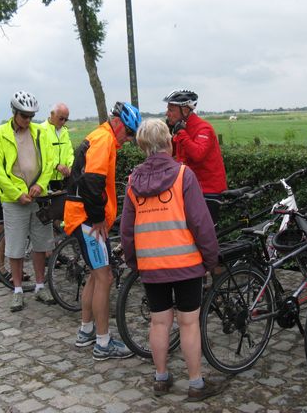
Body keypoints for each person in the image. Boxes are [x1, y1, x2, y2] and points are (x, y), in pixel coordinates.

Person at [120, 118, 222, 400]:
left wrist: (135, 262)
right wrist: (210, 259)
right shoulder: (182, 175)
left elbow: (127, 230)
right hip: (186, 264)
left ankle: (161, 378)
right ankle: (196, 383)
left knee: (159, 323)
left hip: (152, 266)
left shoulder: (132, 181)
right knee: (189, 323)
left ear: (142, 146)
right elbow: (201, 222)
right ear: (168, 142)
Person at [64, 101, 140, 361]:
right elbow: (91, 182)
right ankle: (103, 343)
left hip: (80, 216)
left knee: (96, 276)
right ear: (118, 123)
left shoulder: (99, 136)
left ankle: (86, 331)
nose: (128, 139)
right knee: (105, 277)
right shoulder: (105, 139)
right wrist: (97, 219)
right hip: (87, 220)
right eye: (129, 132)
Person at [0, 90, 56, 312]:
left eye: (31, 116)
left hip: (38, 197)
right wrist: (17, 193)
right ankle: (17, 290)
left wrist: (40, 185)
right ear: (15, 113)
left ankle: (39, 285)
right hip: (13, 199)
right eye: (24, 116)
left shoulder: (39, 132)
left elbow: (48, 162)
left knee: (41, 243)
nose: (28, 120)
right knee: (15, 246)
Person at [163, 90, 227, 224]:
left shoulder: (203, 129)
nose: (167, 113)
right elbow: (170, 153)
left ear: (185, 110)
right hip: (190, 188)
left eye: (171, 110)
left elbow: (198, 154)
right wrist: (169, 133)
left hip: (208, 191)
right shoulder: (182, 129)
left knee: (205, 235)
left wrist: (180, 133)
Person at [41, 102, 74, 191]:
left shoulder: (65, 131)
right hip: (45, 180)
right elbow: (39, 155)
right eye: (61, 118)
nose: (63, 122)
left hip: (63, 180)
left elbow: (69, 152)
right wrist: (56, 165)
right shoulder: (40, 130)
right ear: (52, 114)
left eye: (66, 120)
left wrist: (71, 166)